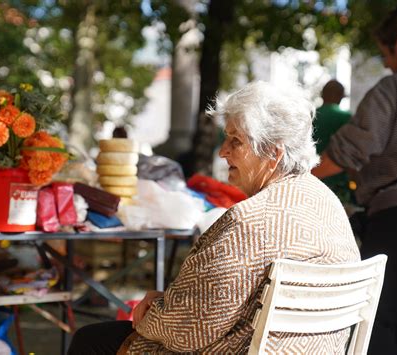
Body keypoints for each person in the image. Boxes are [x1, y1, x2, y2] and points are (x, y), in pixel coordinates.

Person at [68, 81, 360, 354]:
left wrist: (154, 311)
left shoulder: (248, 222)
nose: (223, 152)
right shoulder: (327, 203)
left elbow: (188, 329)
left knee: (91, 340)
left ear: (273, 152)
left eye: (235, 141)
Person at [312, 1, 397, 354]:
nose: (385, 63)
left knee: (376, 320)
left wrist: (295, 178)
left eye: (385, 54)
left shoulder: (393, 89)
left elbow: (347, 152)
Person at [313, 80, 354, 204]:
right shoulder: (347, 117)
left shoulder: (310, 115)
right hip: (339, 183)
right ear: (341, 97)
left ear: (322, 95)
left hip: (311, 179)